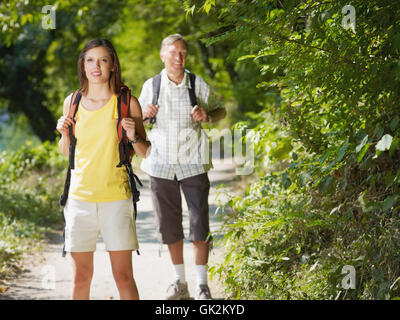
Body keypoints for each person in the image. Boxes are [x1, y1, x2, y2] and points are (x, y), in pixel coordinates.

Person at [56, 38, 150, 300]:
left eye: (103, 60)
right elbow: (67, 151)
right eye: (89, 60)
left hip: (116, 200)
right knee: (80, 278)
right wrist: (64, 133)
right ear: (83, 66)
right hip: (78, 201)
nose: (95, 66)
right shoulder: (71, 102)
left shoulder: (127, 102)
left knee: (123, 277)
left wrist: (133, 136)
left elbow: (145, 151)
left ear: (112, 65)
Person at [138, 34, 226, 300]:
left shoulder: (196, 83)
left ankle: (202, 285)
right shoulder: (151, 86)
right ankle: (179, 282)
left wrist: (207, 116)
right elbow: (135, 123)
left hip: (193, 163)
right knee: (169, 226)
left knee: (200, 224)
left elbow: (220, 109)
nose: (179, 57)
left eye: (183, 53)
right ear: (162, 55)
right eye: (173, 52)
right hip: (160, 164)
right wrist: (145, 115)